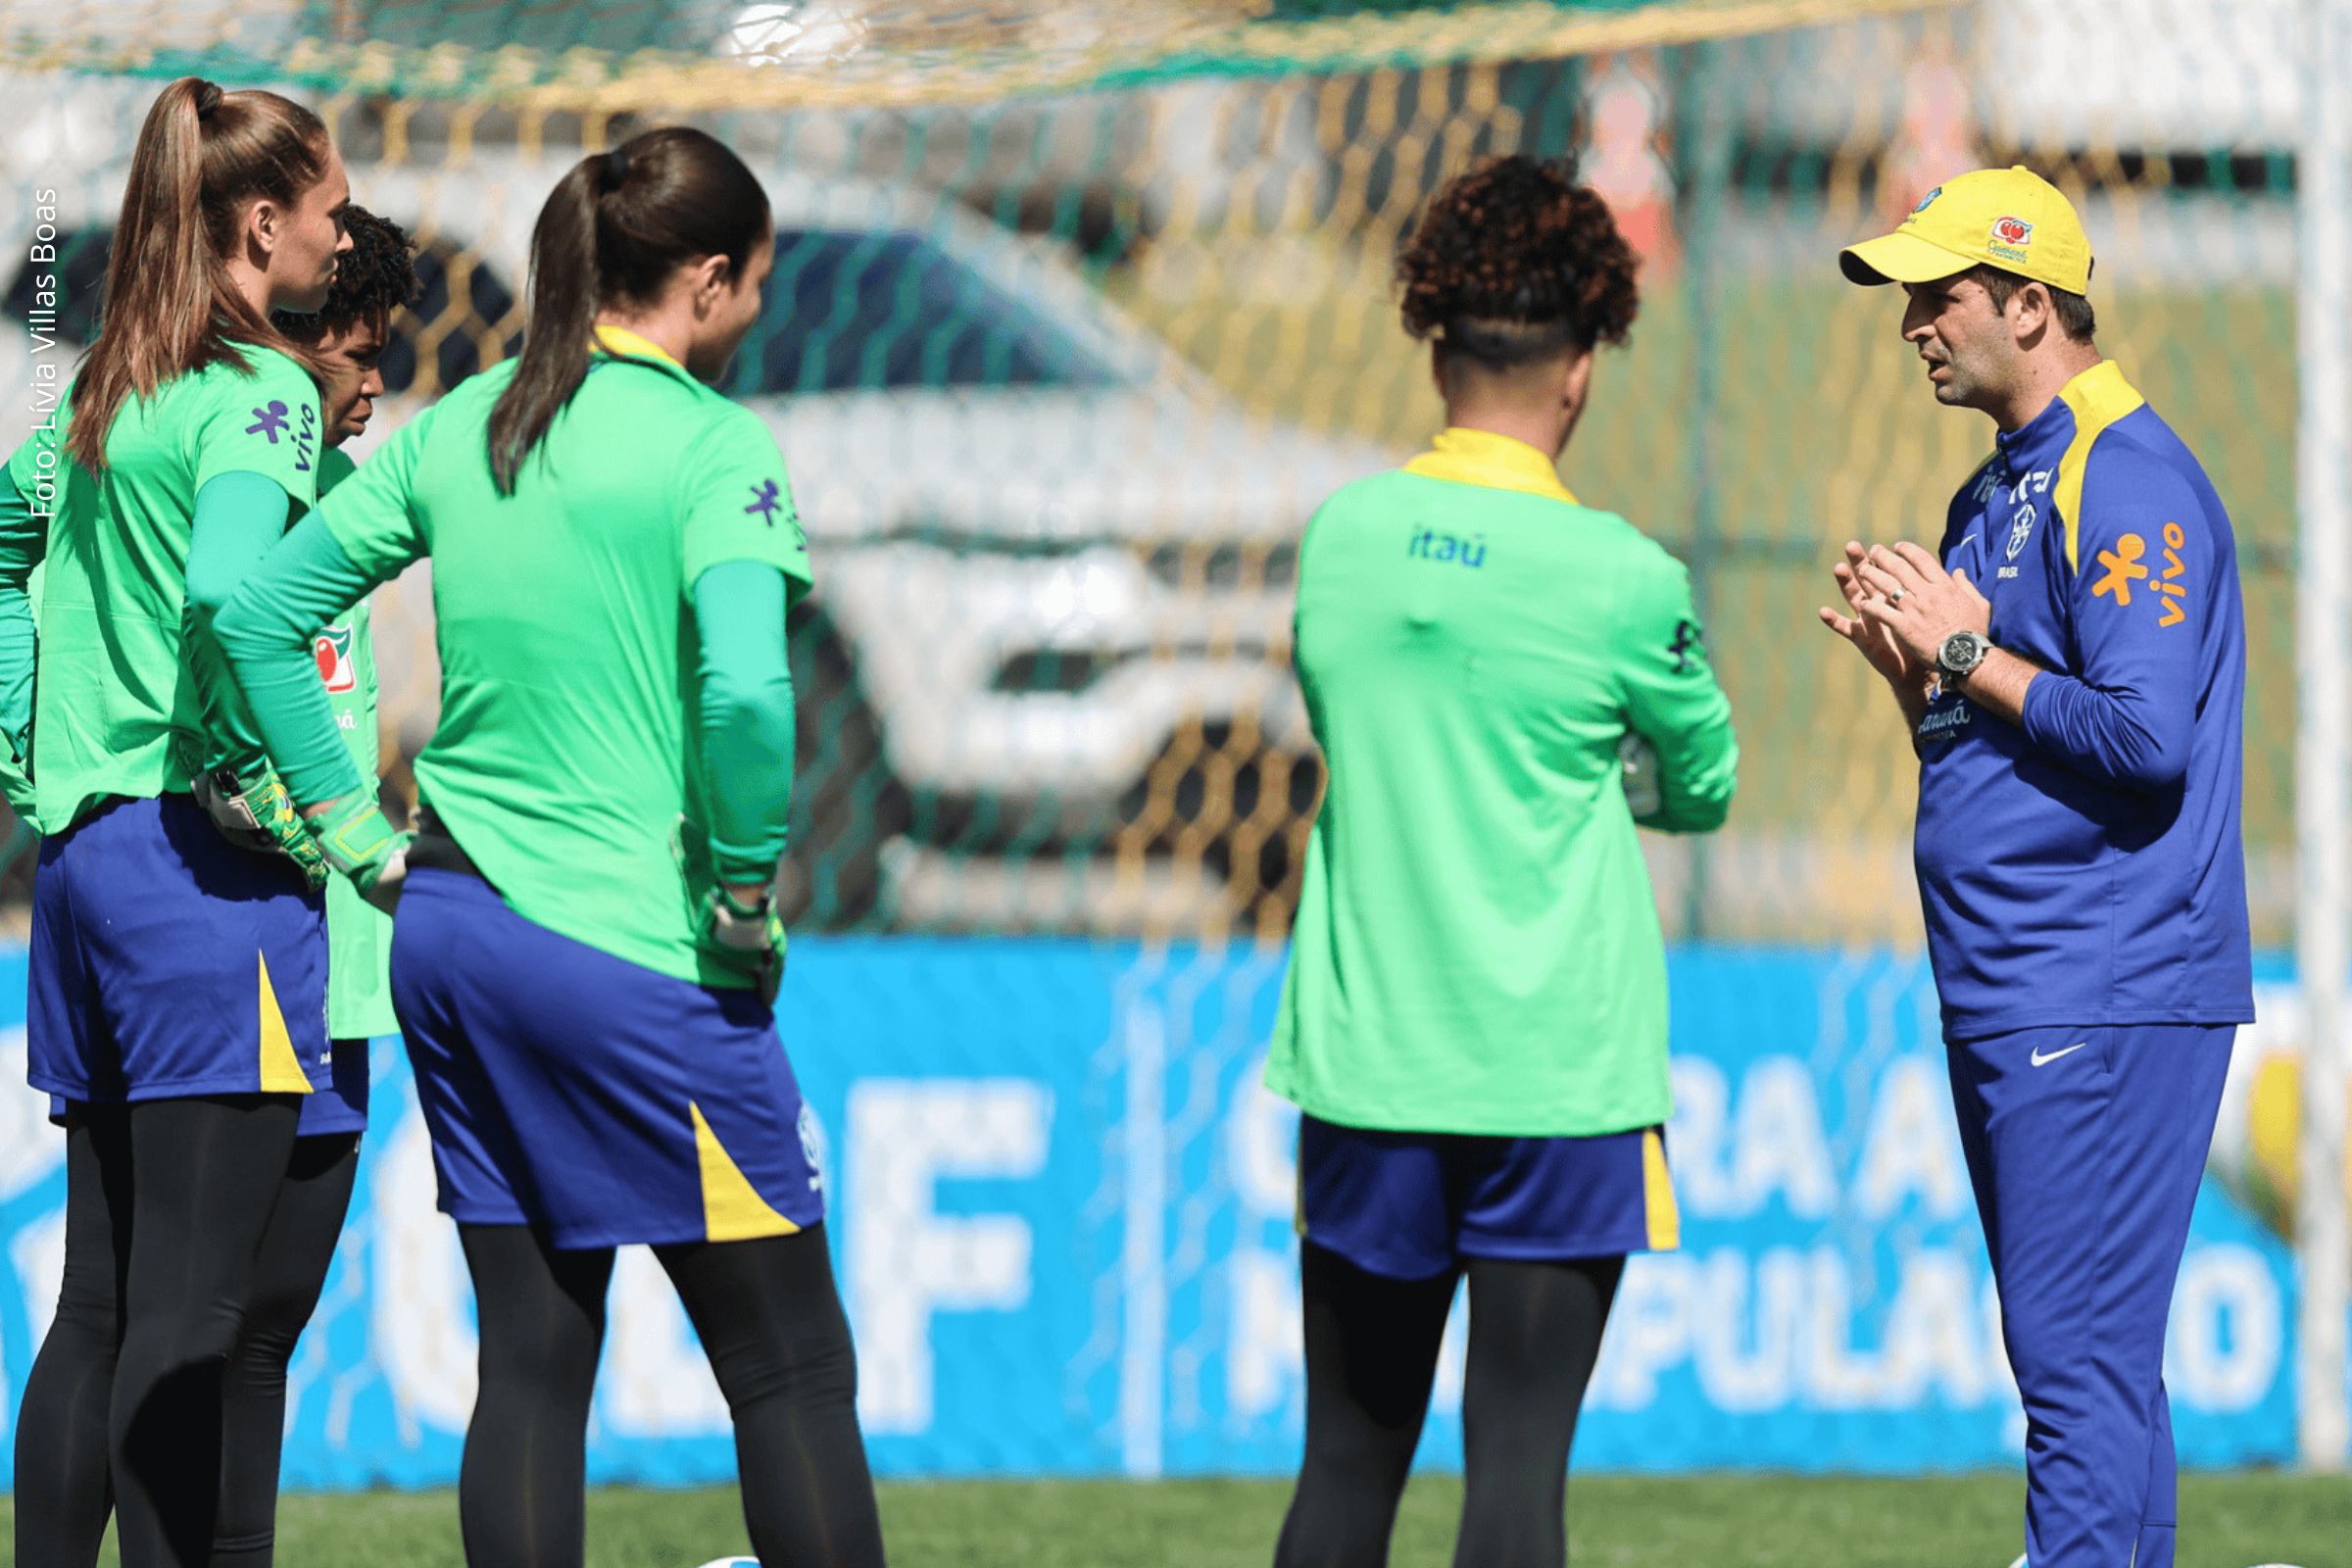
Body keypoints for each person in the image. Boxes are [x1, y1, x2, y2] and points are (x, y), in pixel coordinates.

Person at [209, 127, 886, 1568]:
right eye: (755, 282)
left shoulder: (470, 424)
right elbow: (753, 694)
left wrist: (345, 831)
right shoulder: (714, 446)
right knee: (788, 1373)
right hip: (638, 950)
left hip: (451, 935)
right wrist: (749, 895)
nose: (756, 312)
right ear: (706, 279)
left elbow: (259, 613)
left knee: (531, 1358)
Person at [1263, 155, 1738, 1568]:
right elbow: (1701, 786)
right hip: (1559, 1073)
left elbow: (1357, 719)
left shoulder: (1340, 538)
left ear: (1434, 340)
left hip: (1371, 1059)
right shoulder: (1623, 579)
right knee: (1517, 1486)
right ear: (1584, 364)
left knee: (1345, 1469)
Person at [1822, 166, 2251, 1568]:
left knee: (2072, 1362)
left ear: (2026, 302)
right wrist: (1919, 677)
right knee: (2092, 1364)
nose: (1913, 329)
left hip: (2107, 980)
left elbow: (2142, 741)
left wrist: (1963, 651)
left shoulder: (2124, 475)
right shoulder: (1984, 494)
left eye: (1935, 298)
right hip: (2015, 976)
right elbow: (1983, 736)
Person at [0, 77, 352, 1568]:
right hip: (203, 879)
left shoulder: (106, 394)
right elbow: (229, 597)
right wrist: (304, 790)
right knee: (198, 1315)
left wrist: (28, 740)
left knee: (99, 1303)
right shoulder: (262, 394)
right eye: (332, 213)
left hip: (85, 867)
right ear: (261, 225)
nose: (345, 242)